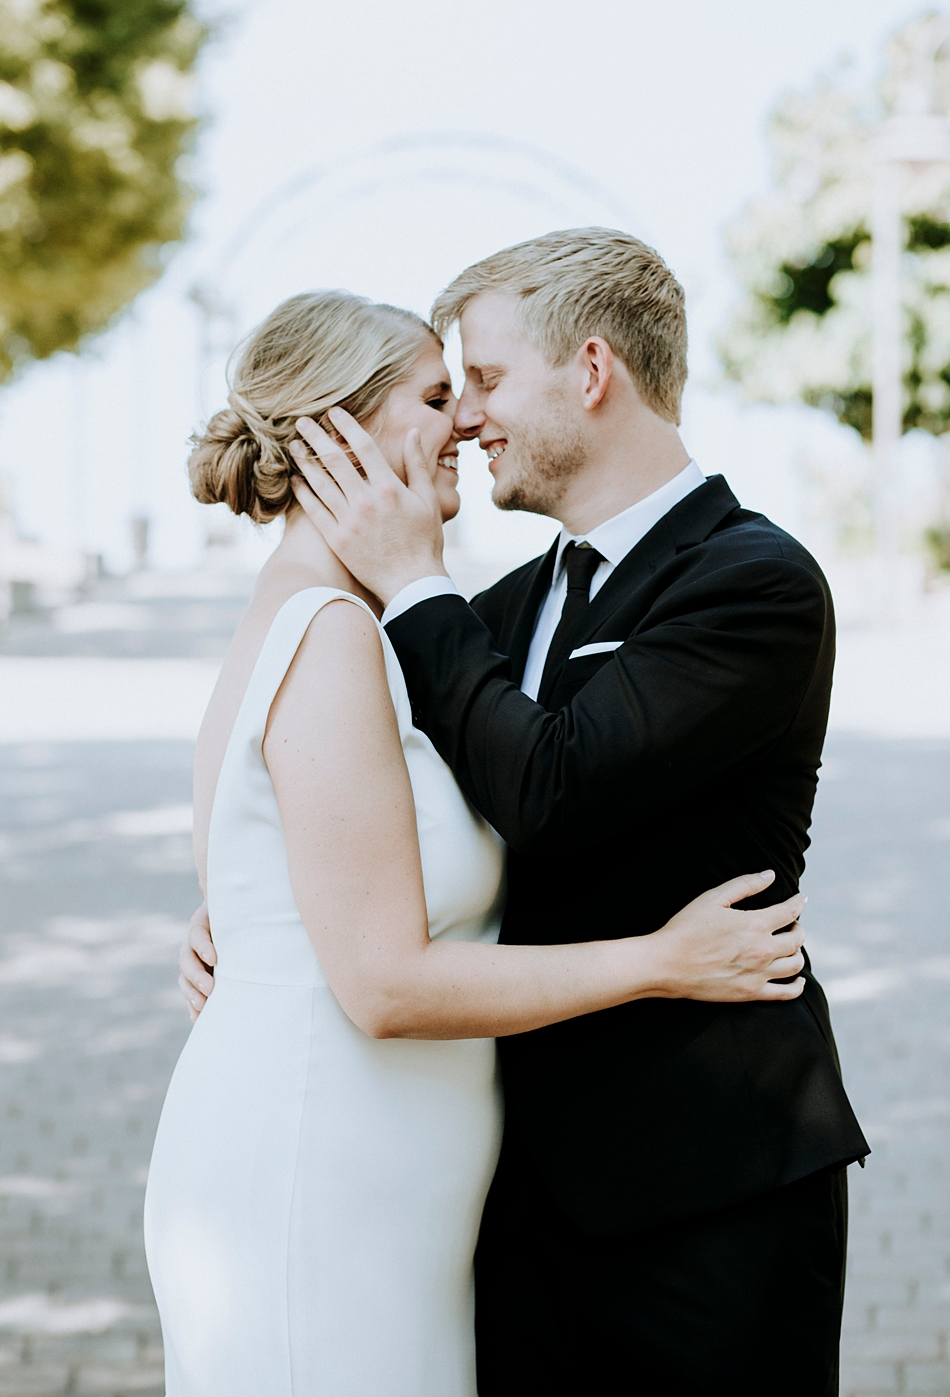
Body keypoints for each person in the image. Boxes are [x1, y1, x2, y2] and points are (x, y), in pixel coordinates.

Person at [220, 229, 872, 1396]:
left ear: (588, 370)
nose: (466, 418)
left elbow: (549, 790)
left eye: (484, 378)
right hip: (501, 1197)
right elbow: (349, 791)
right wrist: (253, 902)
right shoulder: (501, 605)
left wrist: (414, 582)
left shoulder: (751, 582)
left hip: (703, 1184)